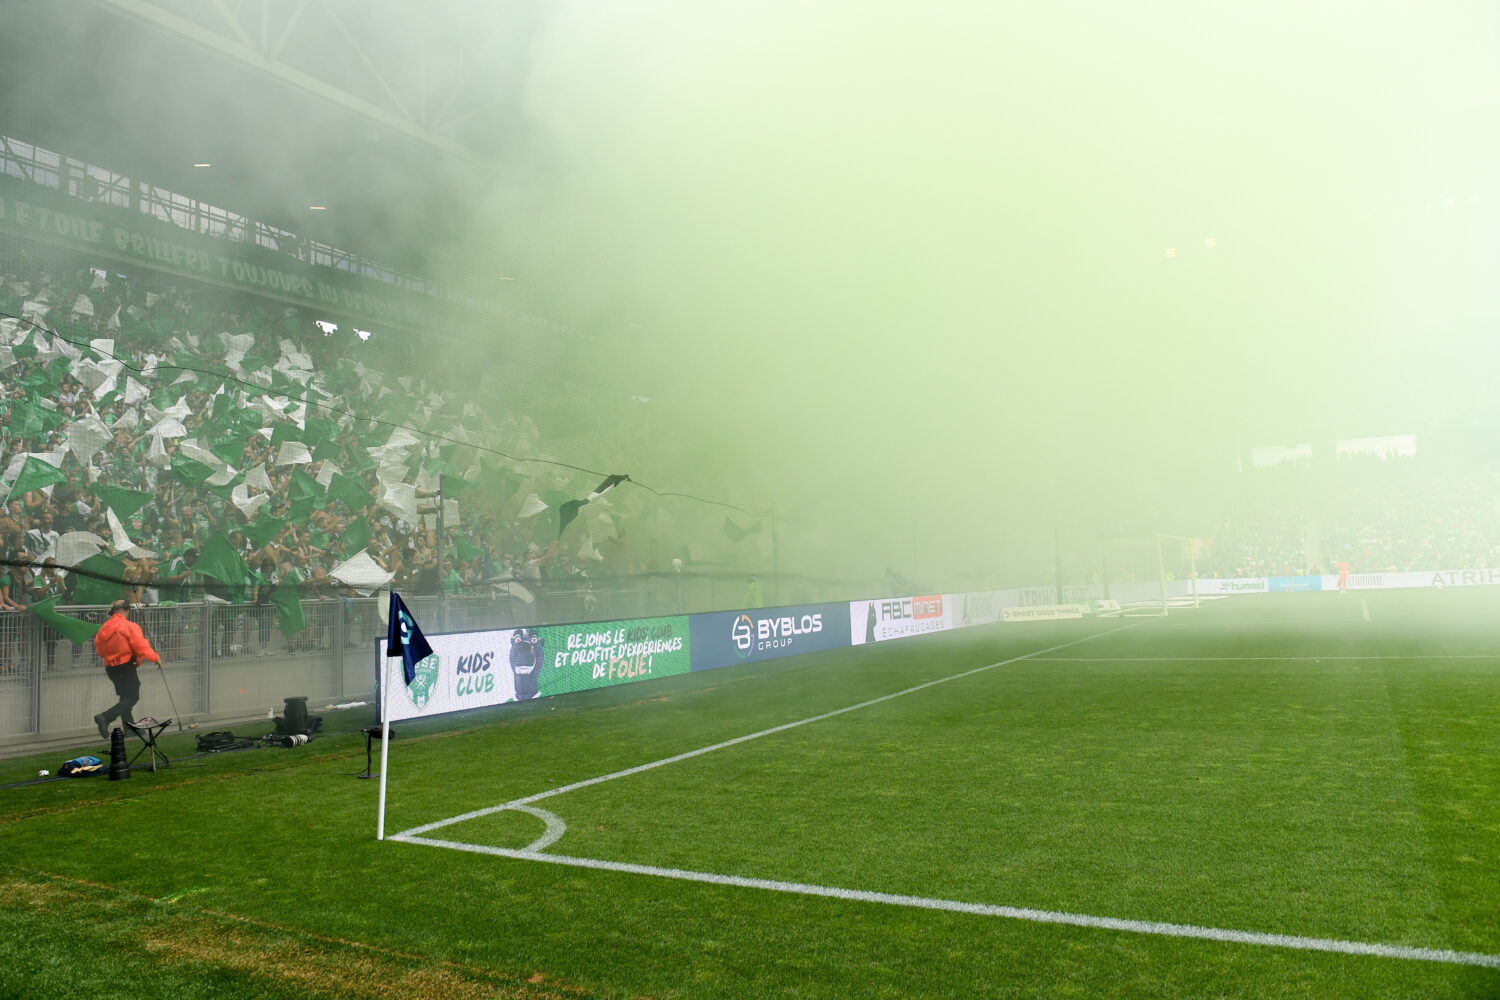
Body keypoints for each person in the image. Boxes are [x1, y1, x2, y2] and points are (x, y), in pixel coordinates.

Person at [92, 599, 162, 740]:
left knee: (125, 697)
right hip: (125, 666)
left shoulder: (104, 628)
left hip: (111, 668)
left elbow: (99, 649)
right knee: (132, 697)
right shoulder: (129, 626)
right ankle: (105, 717)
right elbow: (141, 647)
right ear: (126, 610)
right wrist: (155, 658)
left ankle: (129, 729)